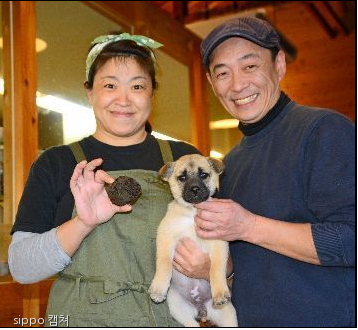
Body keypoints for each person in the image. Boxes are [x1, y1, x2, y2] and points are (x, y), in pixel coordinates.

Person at [8, 33, 201, 327]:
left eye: (137, 86)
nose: (123, 99)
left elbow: (218, 248)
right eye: (109, 85)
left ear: (152, 93)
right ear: (90, 92)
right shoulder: (56, 163)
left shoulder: (185, 163)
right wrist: (83, 223)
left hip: (167, 318)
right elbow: (21, 267)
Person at [193, 17, 355, 327]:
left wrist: (249, 226)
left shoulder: (323, 130)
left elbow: (351, 238)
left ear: (279, 64)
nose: (238, 84)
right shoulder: (227, 165)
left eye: (250, 66)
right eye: (223, 73)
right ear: (213, 85)